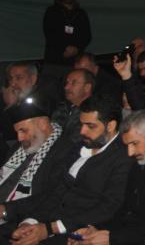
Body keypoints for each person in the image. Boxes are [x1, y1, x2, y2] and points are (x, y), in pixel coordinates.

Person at [2, 95, 133, 244]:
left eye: (90, 126)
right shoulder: (78, 148)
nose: (82, 131)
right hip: (48, 222)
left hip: (78, 232)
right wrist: (30, 222)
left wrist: (50, 229)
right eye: (81, 124)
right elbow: (55, 192)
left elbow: (108, 208)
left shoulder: (124, 157)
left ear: (110, 126)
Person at [69, 110, 145, 245]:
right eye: (127, 145)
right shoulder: (141, 161)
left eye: (134, 143)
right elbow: (124, 210)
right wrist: (95, 229)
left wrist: (112, 238)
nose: (130, 152)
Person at [0, 98, 75, 222]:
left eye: (23, 130)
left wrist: (5, 210)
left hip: (22, 218)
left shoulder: (65, 151)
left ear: (43, 124)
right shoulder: (18, 147)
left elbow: (51, 197)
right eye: (17, 132)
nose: (19, 138)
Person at [42, 0, 91, 69]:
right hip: (54, 58)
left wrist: (76, 49)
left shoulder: (81, 13)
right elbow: (49, 33)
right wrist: (64, 48)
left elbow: (86, 35)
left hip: (75, 60)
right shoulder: (52, 11)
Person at [50, 69, 94, 143]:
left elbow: (76, 141)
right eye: (67, 83)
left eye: (73, 83)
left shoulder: (92, 113)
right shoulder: (62, 106)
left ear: (87, 87)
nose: (66, 87)